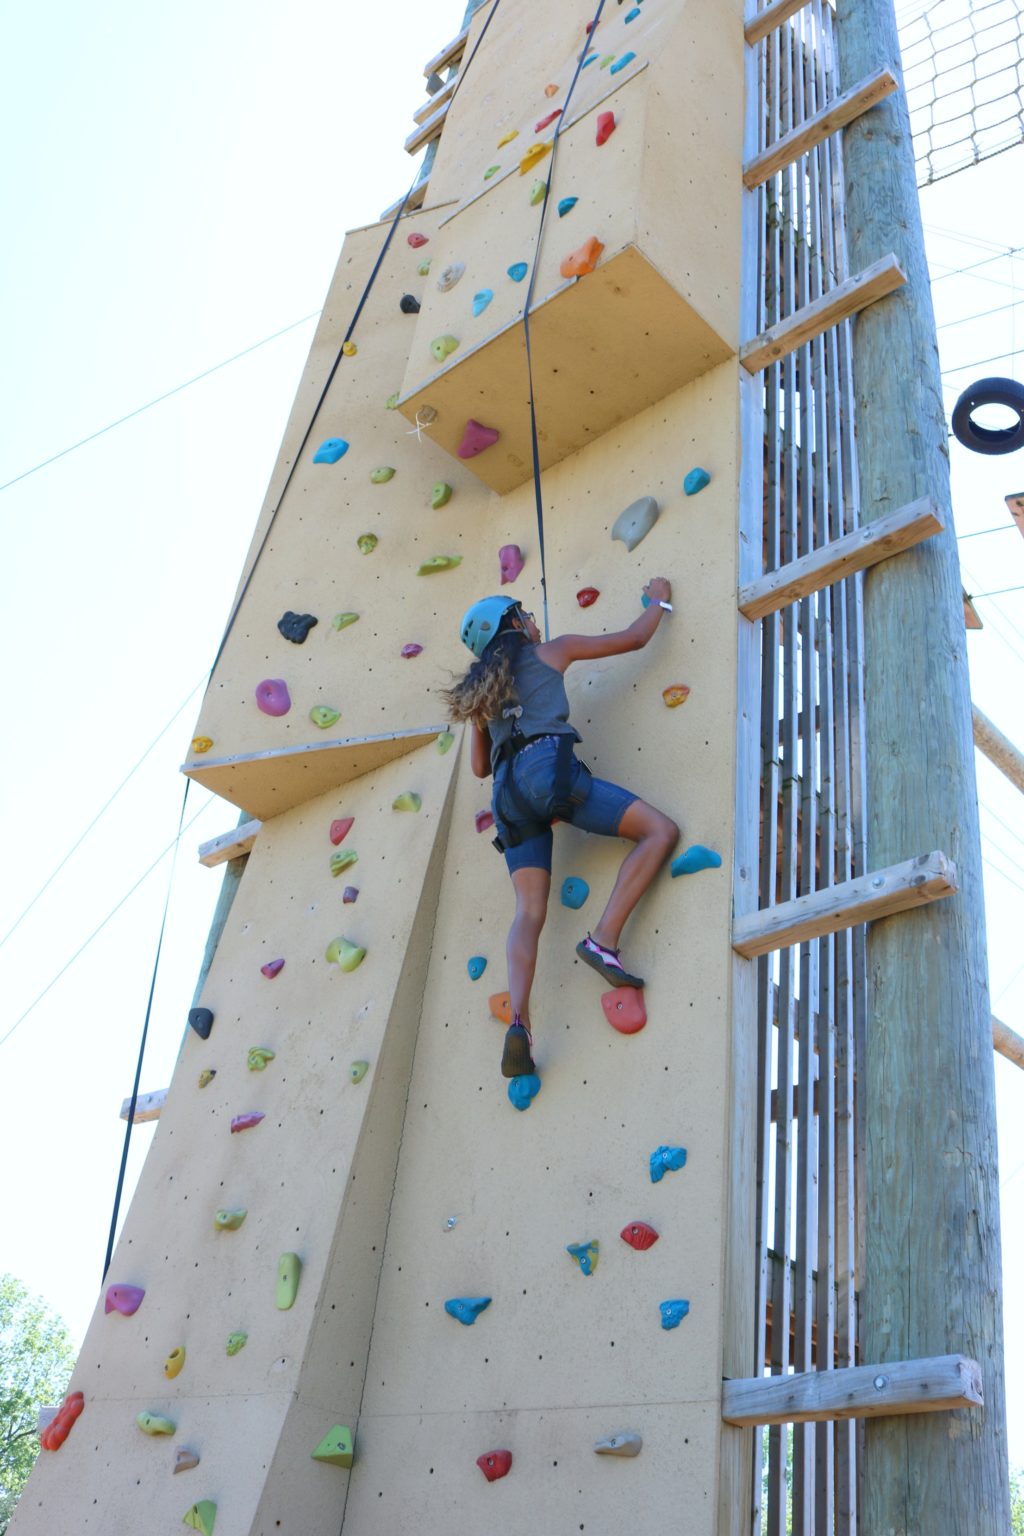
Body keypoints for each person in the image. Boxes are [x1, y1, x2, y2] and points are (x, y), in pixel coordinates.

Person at [441, 582, 680, 1079]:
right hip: (547, 774)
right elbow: (635, 640)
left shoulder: (483, 696)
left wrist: (489, 716)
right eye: (524, 613)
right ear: (512, 625)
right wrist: (658, 600)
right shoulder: (554, 651)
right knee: (659, 831)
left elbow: (481, 769)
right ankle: (603, 939)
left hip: (507, 798)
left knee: (528, 912)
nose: (533, 619)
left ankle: (522, 1023)